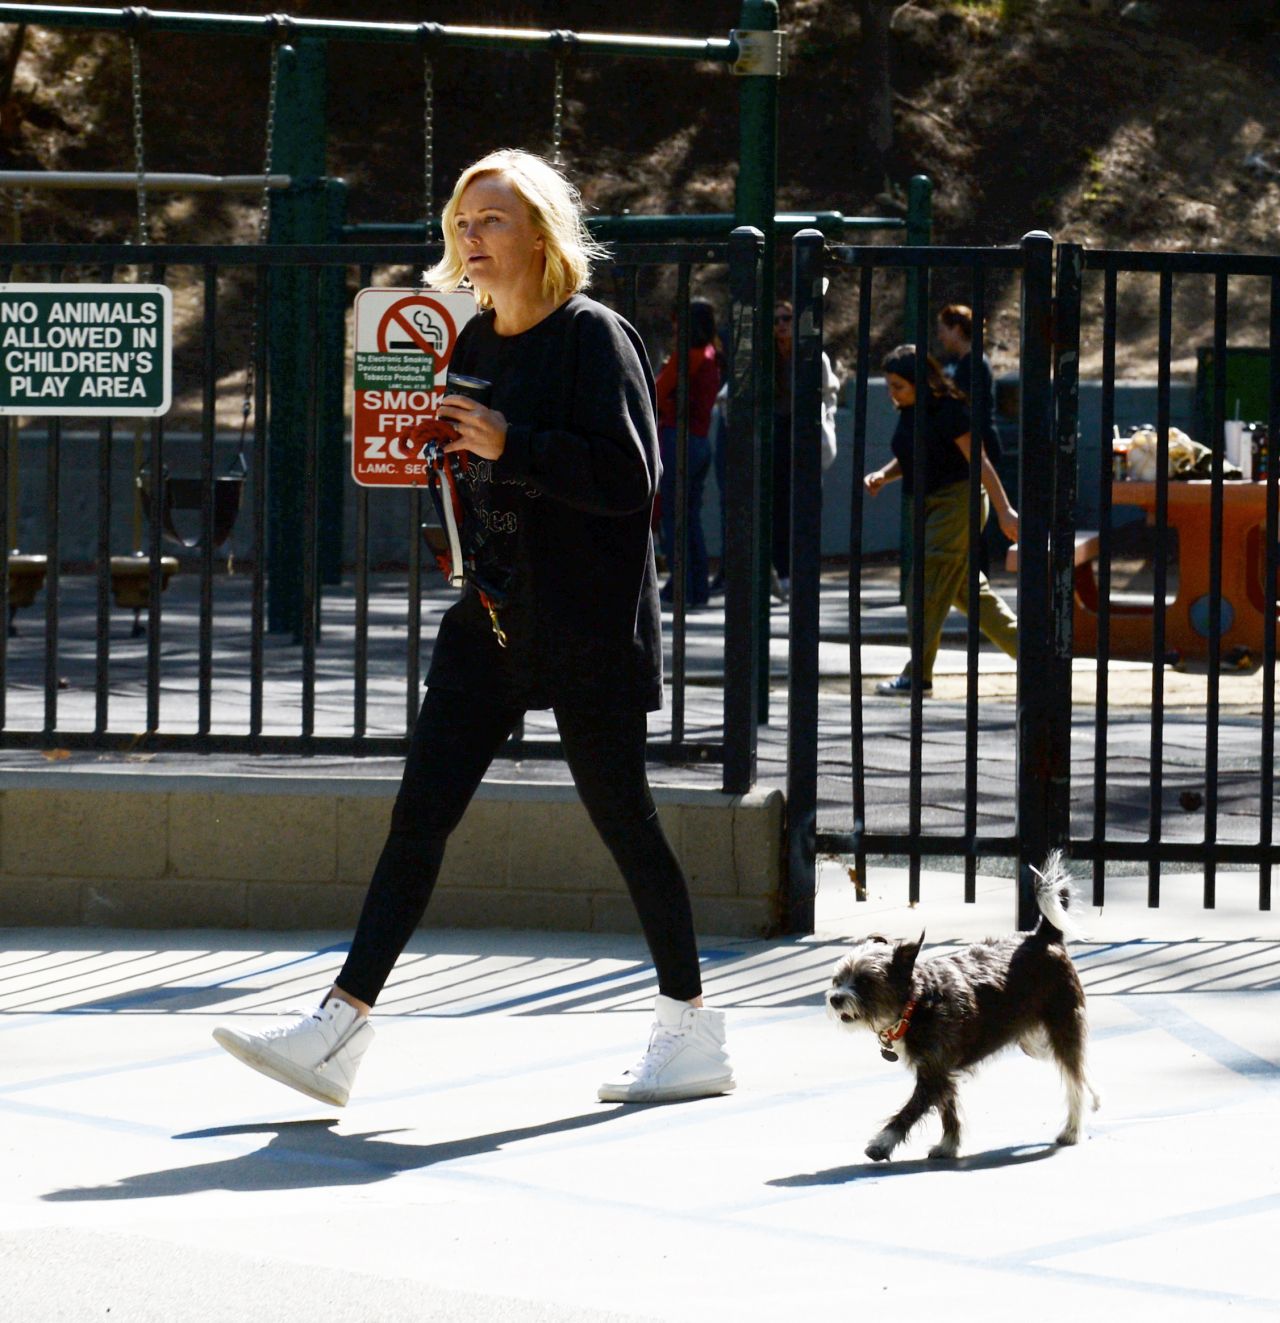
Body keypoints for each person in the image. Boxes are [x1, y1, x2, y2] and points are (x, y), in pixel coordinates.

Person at [212, 149, 734, 1108]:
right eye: (460, 223)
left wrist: (513, 446)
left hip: (586, 626)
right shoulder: (477, 340)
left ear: (539, 231)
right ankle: (340, 1025)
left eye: (489, 221)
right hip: (493, 615)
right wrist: (453, 465)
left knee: (627, 824)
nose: (471, 239)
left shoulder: (594, 337)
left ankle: (692, 1025)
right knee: (420, 817)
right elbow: (485, 468)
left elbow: (631, 485)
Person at [864, 344, 1019, 697]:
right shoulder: (909, 409)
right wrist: (882, 476)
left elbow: (979, 460)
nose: (893, 393)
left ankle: (918, 676)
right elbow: (913, 456)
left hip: (957, 502)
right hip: (929, 505)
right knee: (968, 592)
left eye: (898, 386)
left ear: (922, 382)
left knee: (925, 588)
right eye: (889, 385)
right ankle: (1032, 653)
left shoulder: (949, 410)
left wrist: (1004, 509)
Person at [654, 297, 723, 606]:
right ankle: (696, 585)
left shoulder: (689, 356)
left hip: (677, 440)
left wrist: (665, 404)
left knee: (674, 516)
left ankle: (682, 585)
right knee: (690, 517)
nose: (674, 327)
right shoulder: (710, 354)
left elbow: (656, 391)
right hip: (699, 440)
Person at [769, 299, 840, 602]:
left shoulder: (812, 356)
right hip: (775, 433)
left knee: (807, 506)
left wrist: (825, 423)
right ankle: (782, 574)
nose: (782, 324)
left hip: (804, 432)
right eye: (776, 320)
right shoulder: (765, 355)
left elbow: (829, 393)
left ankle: (804, 573)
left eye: (787, 318)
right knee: (777, 506)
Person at [937, 303, 1001, 574]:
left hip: (977, 443)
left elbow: (967, 411)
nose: (939, 335)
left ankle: (978, 577)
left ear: (956, 329)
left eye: (943, 328)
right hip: (969, 443)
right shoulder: (962, 363)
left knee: (975, 517)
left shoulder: (973, 363)